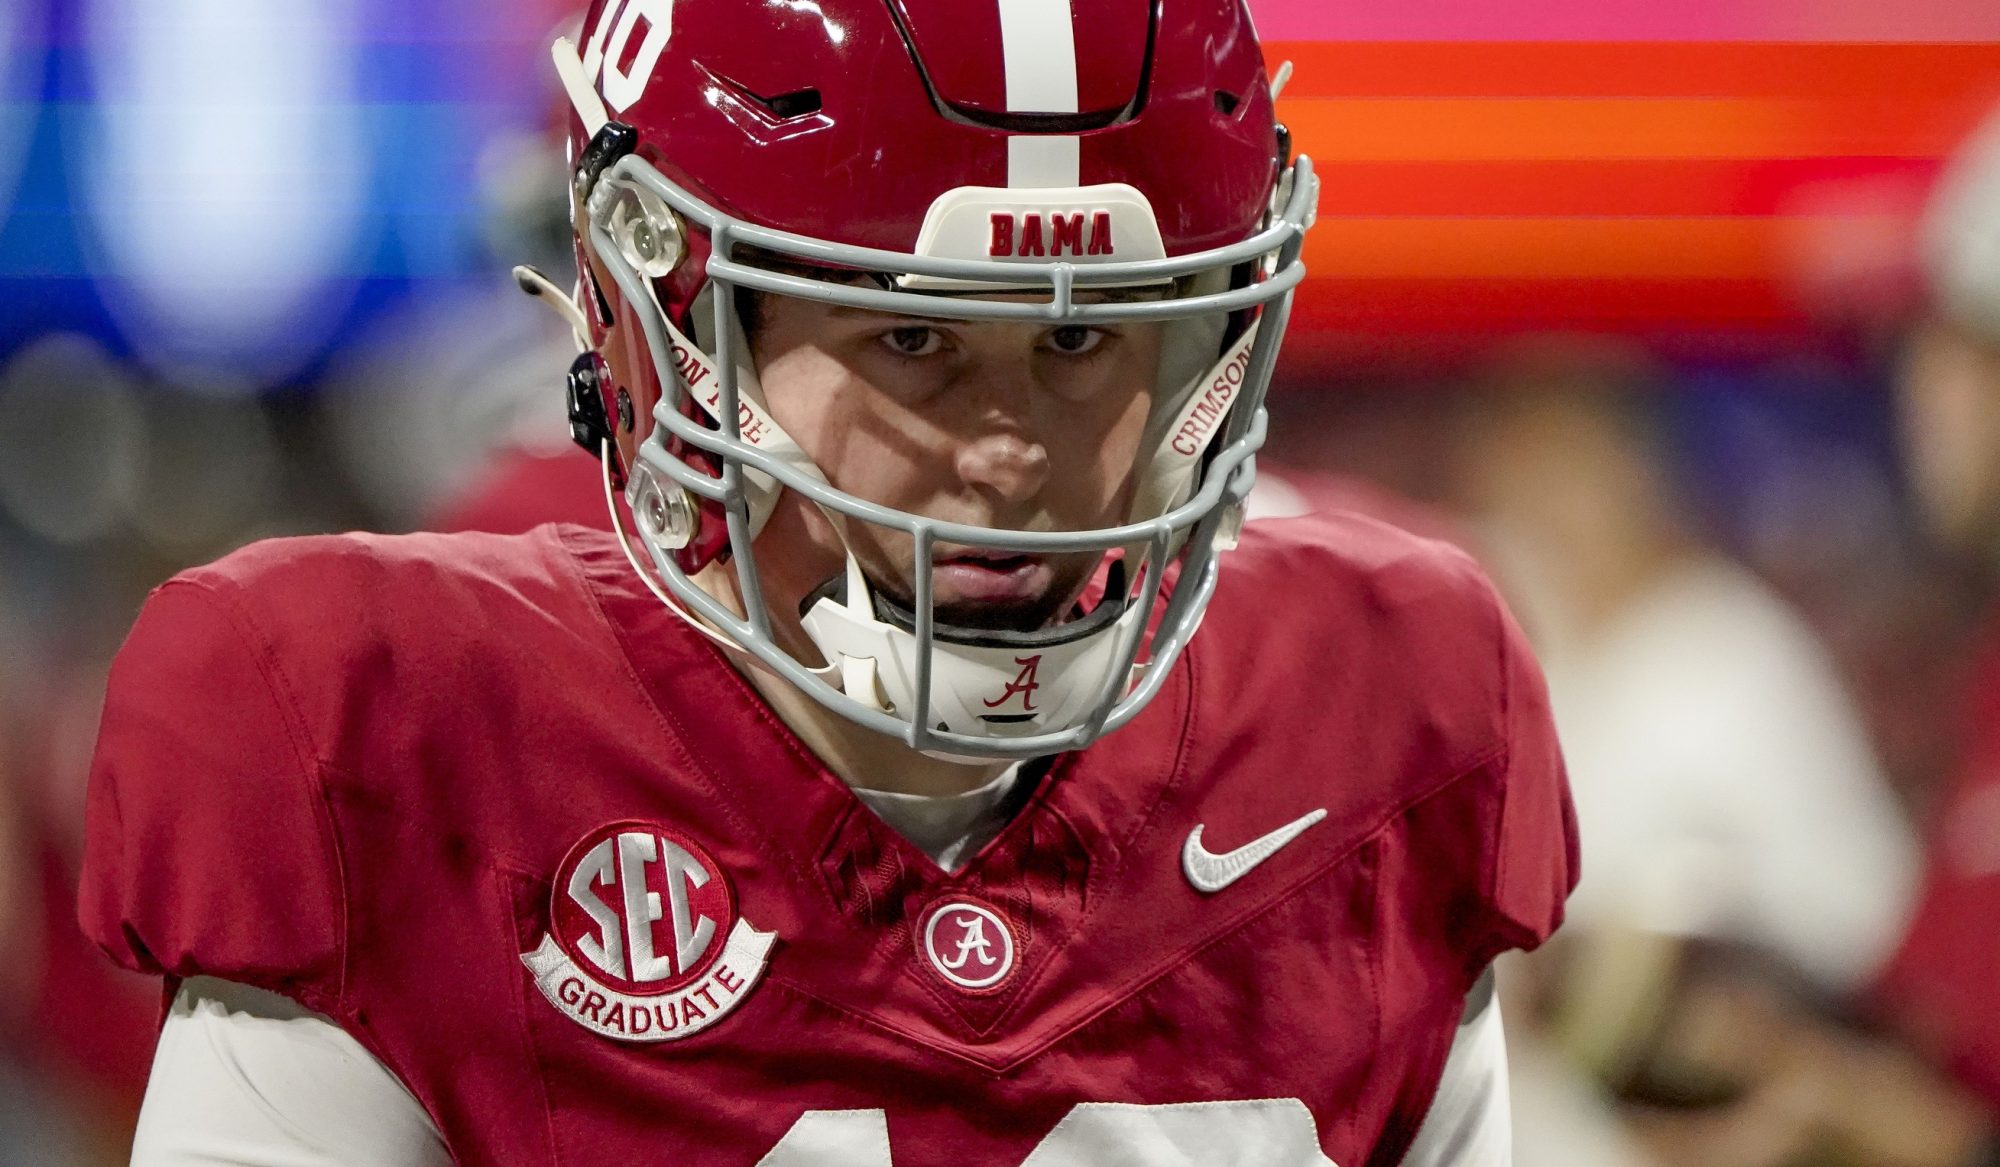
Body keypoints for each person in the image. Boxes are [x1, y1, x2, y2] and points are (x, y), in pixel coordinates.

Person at [78, 2, 1576, 1163]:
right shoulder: (393, 728)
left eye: (1081, 341)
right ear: (663, 315)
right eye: (912, 340)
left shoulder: (1383, 711)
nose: (1006, 458)